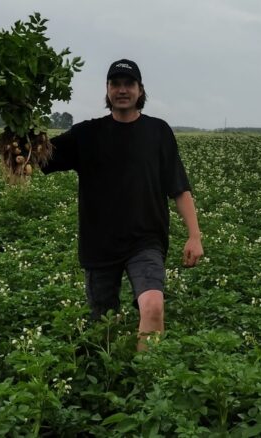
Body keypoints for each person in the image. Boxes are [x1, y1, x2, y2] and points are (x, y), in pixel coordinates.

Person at [42, 59, 203, 351]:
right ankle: (111, 383)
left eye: (129, 84)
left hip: (146, 240)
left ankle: (147, 384)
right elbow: (40, 156)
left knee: (153, 306)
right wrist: (17, 132)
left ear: (141, 90)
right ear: (107, 90)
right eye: (115, 84)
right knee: (104, 330)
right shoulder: (86, 134)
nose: (122, 90)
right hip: (99, 245)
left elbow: (179, 187)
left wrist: (194, 235)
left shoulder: (158, 132)